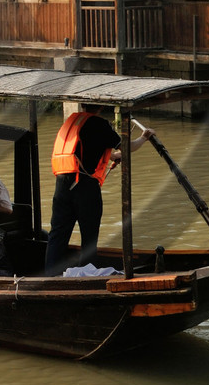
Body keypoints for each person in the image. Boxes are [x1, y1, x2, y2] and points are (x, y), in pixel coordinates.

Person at [44, 107, 152, 275]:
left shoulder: (71, 122)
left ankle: (50, 276)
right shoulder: (99, 124)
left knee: (57, 234)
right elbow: (128, 147)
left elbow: (85, 150)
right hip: (84, 186)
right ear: (101, 107)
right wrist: (144, 137)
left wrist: (113, 157)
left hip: (62, 185)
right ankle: (86, 276)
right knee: (89, 236)